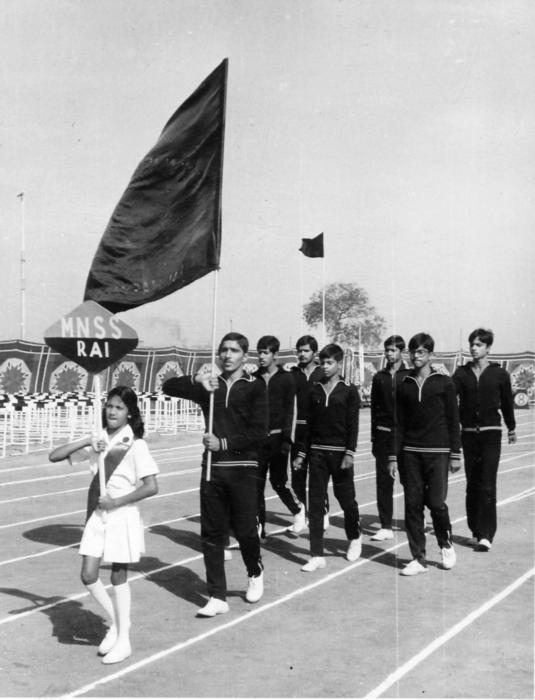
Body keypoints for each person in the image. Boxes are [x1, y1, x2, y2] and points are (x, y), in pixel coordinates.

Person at [49, 386, 159, 664]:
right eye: (109, 406)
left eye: (119, 407)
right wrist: (89, 440)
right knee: (88, 575)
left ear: (129, 413)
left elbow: (151, 486)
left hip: (122, 514)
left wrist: (117, 501)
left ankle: (124, 642)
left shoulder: (136, 445)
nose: (112, 411)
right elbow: (54, 456)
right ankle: (119, 622)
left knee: (118, 576)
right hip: (99, 515)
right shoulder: (98, 441)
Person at [163, 332, 266, 617]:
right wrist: (197, 379)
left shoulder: (255, 386)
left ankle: (255, 571)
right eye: (224, 350)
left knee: (245, 529)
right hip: (212, 468)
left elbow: (259, 432)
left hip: (243, 467)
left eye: (234, 350)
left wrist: (224, 443)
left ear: (245, 356)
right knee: (211, 533)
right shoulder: (211, 385)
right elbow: (168, 387)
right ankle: (217, 596)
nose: (228, 355)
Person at [388, 333, 461, 576]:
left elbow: (453, 419)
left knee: (437, 503)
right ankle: (418, 558)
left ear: (431, 354)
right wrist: (393, 456)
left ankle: (445, 544)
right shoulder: (404, 383)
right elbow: (398, 423)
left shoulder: (444, 382)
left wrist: (455, 453)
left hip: (438, 452)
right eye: (413, 352)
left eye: (421, 352)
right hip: (410, 453)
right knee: (412, 505)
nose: (416, 356)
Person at [293, 343, 362, 571]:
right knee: (315, 503)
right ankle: (316, 555)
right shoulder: (314, 390)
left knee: (346, 499)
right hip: (317, 453)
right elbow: (307, 425)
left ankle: (355, 536)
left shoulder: (349, 390)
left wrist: (349, 452)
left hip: (340, 454)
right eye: (322, 362)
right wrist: (301, 453)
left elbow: (353, 425)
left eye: (330, 362)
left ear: (339, 364)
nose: (325, 366)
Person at [453, 328, 516, 552]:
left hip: (491, 434)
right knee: (472, 484)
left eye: (479, 344)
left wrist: (511, 427)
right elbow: (449, 397)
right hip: (469, 434)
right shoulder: (461, 374)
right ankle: (476, 531)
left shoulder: (499, 374)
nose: (474, 348)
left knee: (488, 483)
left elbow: (507, 403)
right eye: (472, 344)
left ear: (488, 348)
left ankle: (487, 535)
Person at [254, 335, 305, 537]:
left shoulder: (286, 378)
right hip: (257, 441)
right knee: (256, 485)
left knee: (278, 482)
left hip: (278, 440)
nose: (261, 356)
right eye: (259, 352)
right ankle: (259, 529)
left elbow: (291, 411)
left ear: (275, 355)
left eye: (265, 353)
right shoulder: (254, 378)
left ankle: (298, 509)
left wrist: (287, 440)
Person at [370, 335, 410, 541]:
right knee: (383, 482)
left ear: (402, 352)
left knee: (410, 482)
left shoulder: (410, 375)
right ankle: (385, 525)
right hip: (384, 435)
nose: (389, 354)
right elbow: (374, 410)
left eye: (393, 350)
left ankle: (414, 521)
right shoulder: (379, 377)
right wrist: (373, 438)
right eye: (386, 350)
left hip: (406, 436)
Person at [290, 335, 330, 530]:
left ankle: (323, 512)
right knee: (297, 475)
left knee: (318, 476)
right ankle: (300, 515)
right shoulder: (293, 374)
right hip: (297, 430)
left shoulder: (322, 373)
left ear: (314, 352)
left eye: (306, 350)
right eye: (299, 350)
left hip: (317, 431)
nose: (302, 354)